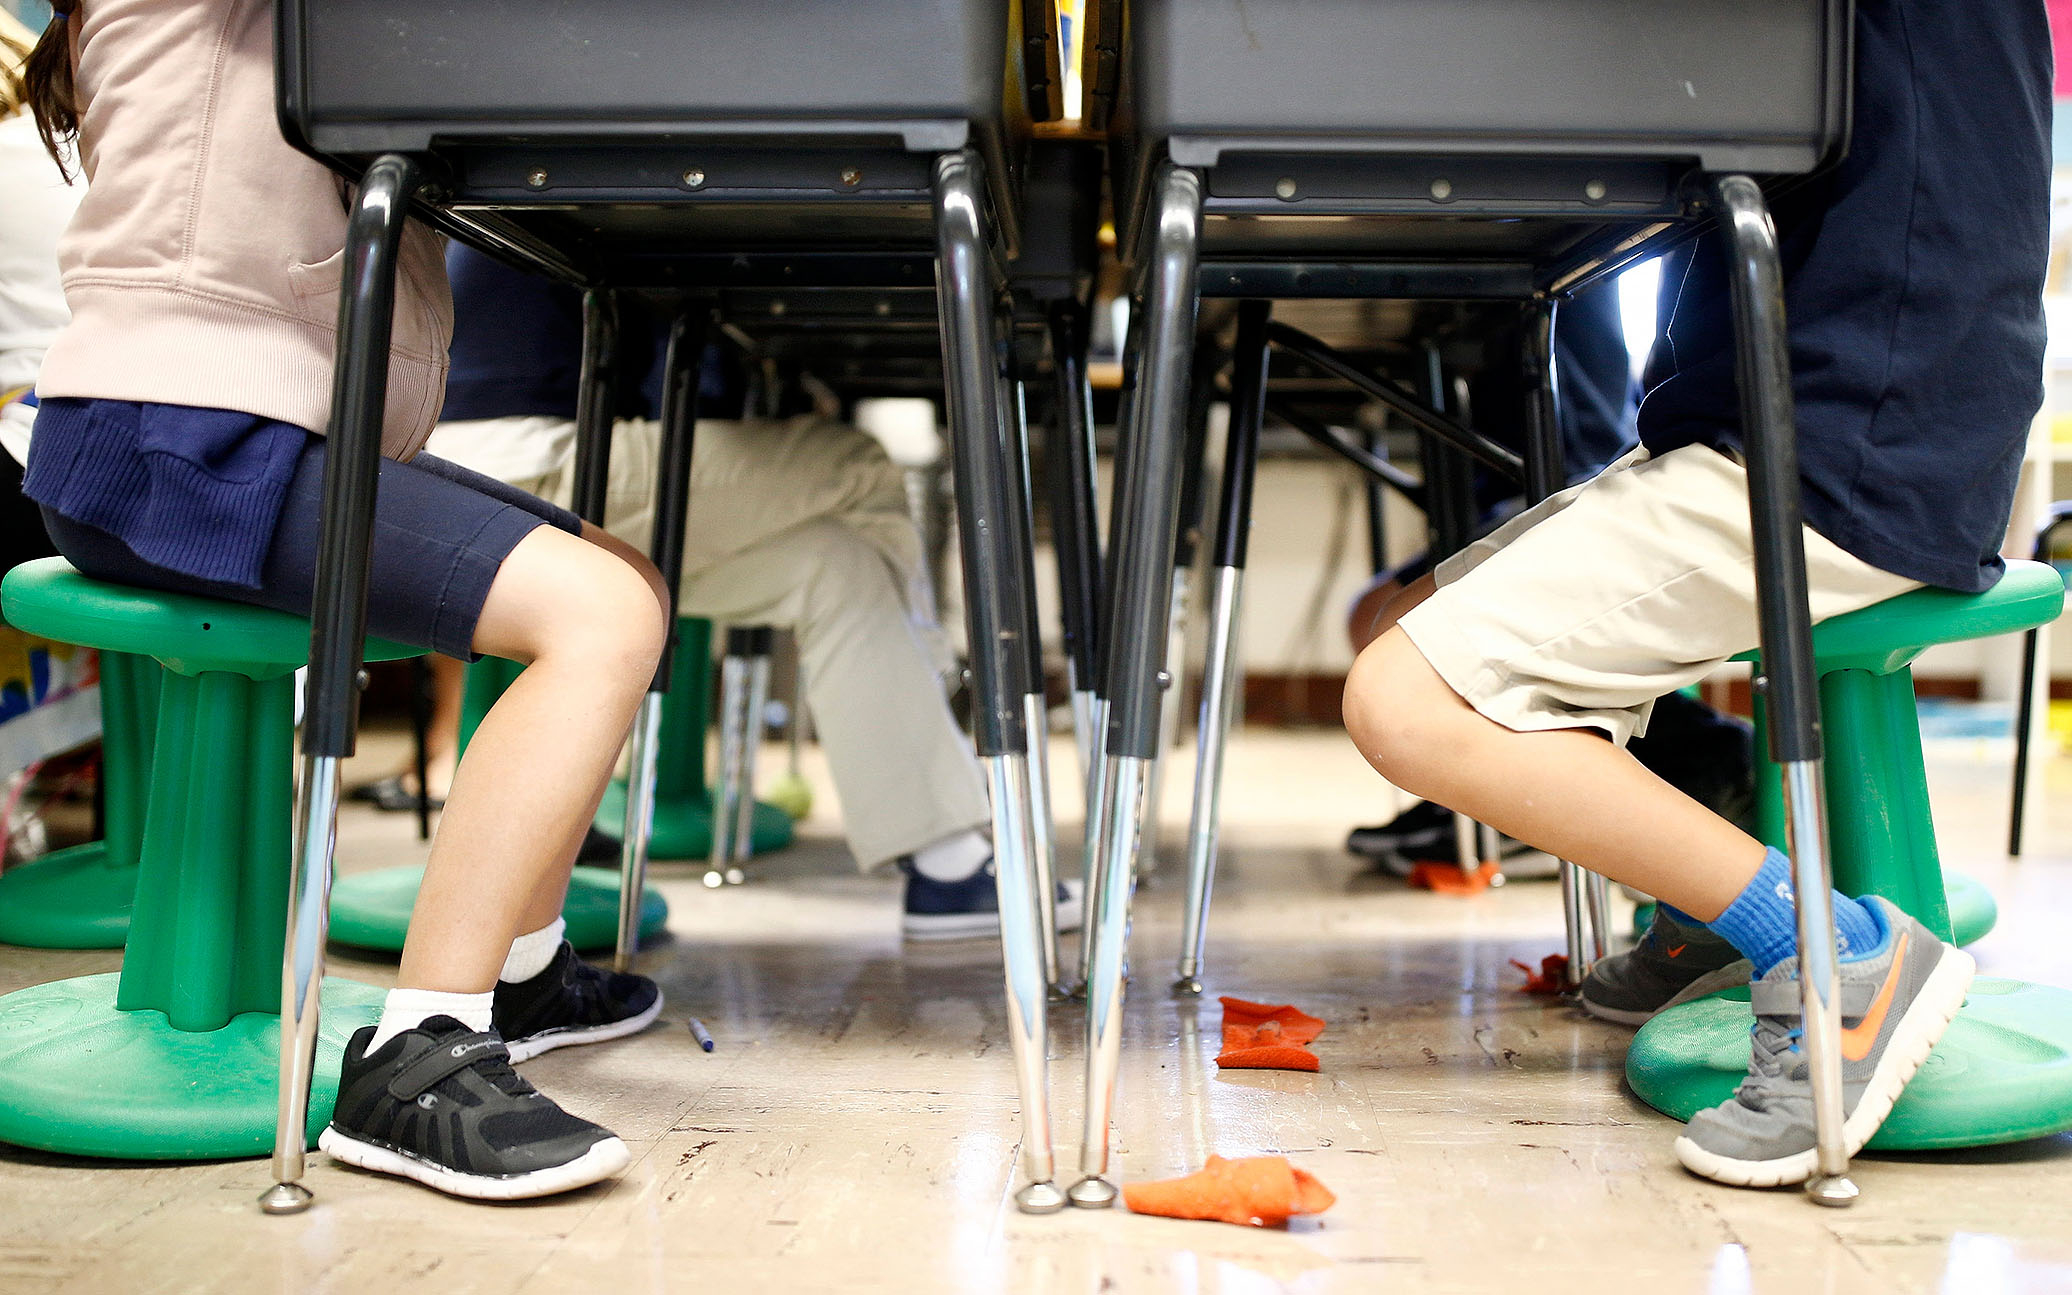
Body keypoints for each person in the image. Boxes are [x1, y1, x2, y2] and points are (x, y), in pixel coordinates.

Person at [1341, 0, 2047, 1187]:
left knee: (1403, 700)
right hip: (1781, 418)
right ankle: (1707, 858)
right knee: (1393, 626)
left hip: (1856, 440)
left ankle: (1830, 953)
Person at [12, 0, 670, 1200]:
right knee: (597, 616)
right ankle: (414, 1059)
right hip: (170, 440)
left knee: (626, 579)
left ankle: (519, 968)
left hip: (264, 432)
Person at [390, 247, 1080, 940]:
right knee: (857, 463)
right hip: (505, 457)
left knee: (834, 568)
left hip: (532, 458)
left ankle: (949, 868)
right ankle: (942, 700)